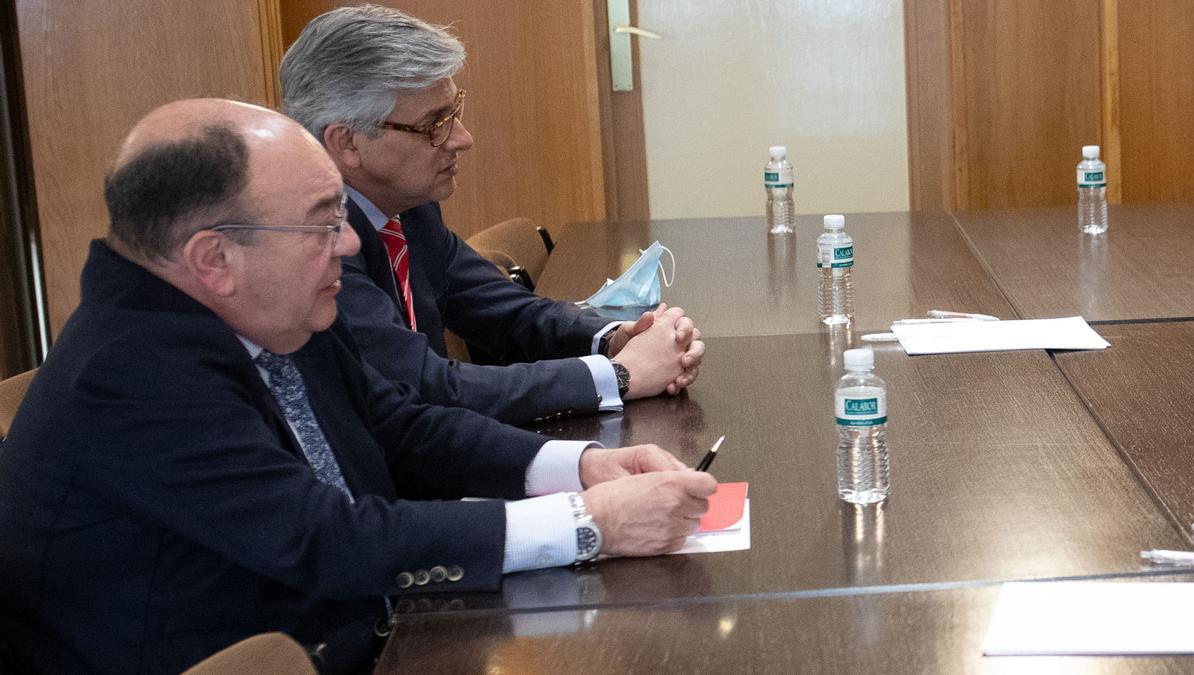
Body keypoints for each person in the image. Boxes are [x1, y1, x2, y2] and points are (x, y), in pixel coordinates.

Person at [0, 98, 717, 673]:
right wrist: (590, 522)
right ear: (214, 257)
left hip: (372, 628)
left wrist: (584, 465)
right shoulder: (129, 375)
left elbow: (398, 424)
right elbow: (322, 537)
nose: (349, 244)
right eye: (322, 223)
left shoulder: (263, 302)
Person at [279, 4, 705, 425]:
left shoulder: (409, 208)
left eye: (454, 113)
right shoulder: (315, 247)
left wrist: (614, 339)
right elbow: (425, 388)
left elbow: (506, 312)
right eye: (434, 124)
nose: (462, 139)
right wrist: (621, 376)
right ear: (347, 142)